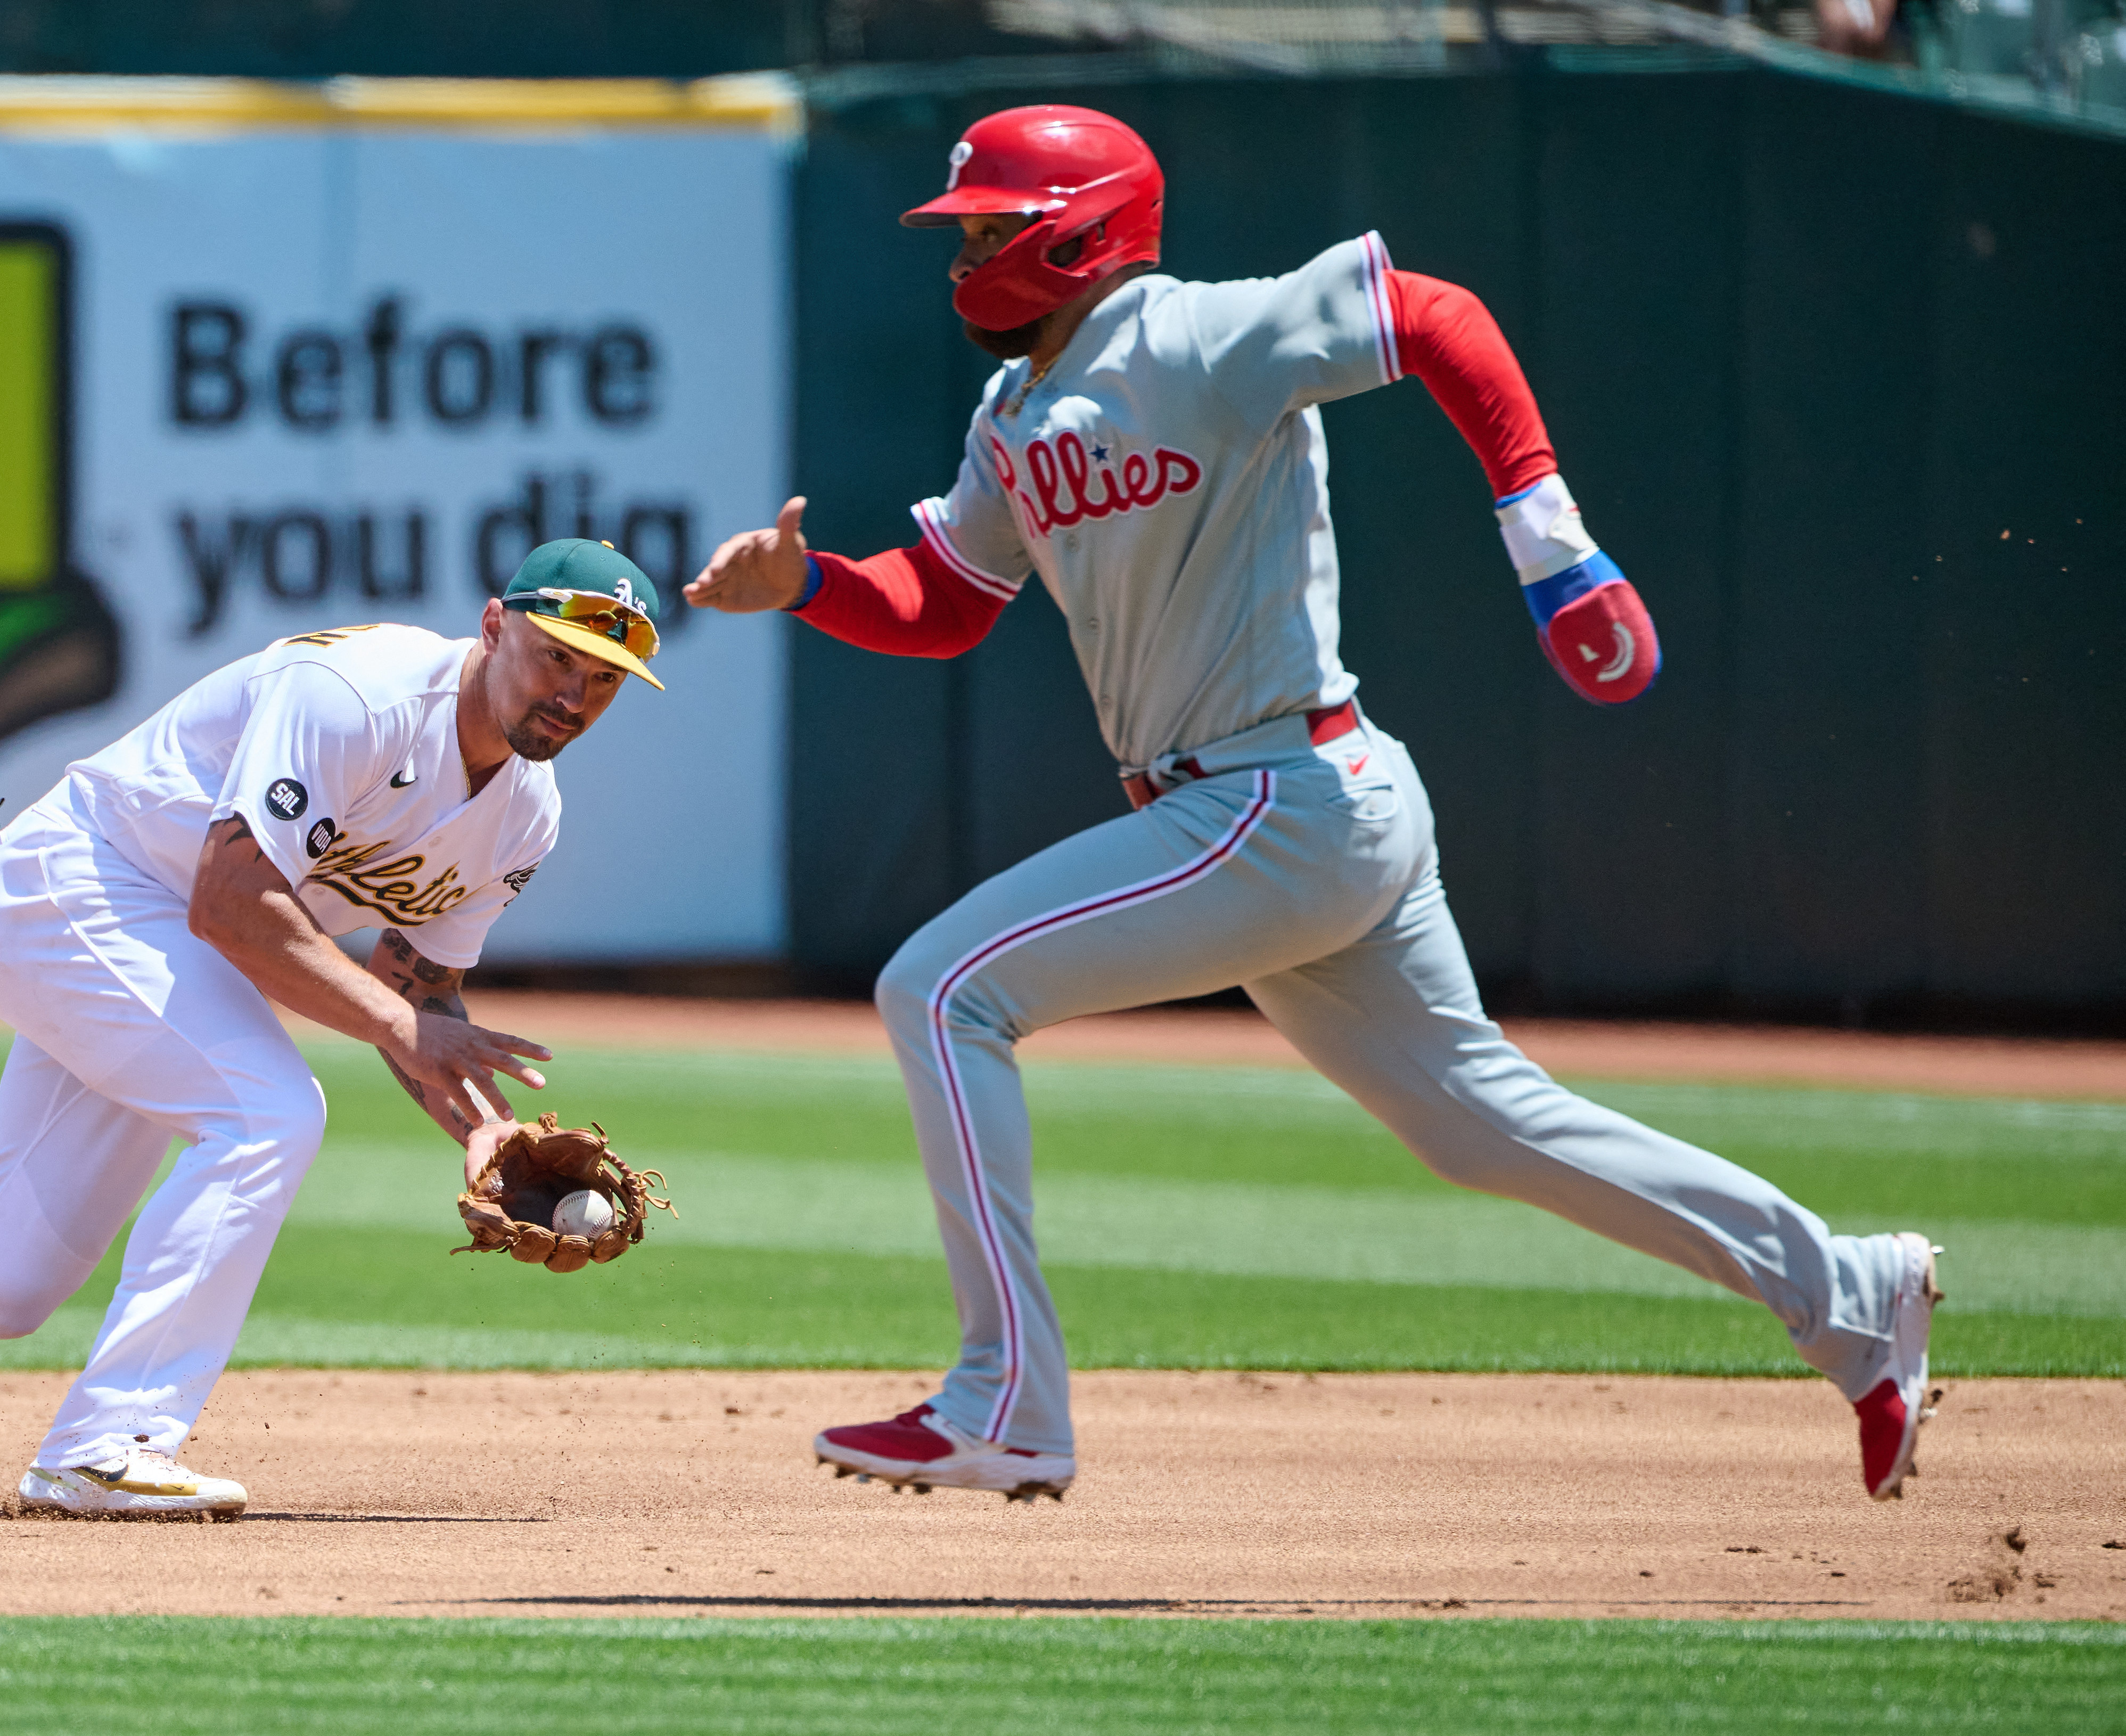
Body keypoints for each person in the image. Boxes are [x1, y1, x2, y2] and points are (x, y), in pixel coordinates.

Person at [685, 105, 1939, 1504]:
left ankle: (1003, 1398)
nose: (962, 252)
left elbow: (1438, 317)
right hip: (1294, 807)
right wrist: (807, 587)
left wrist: (1551, 543)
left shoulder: (1200, 336)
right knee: (1481, 1125)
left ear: (1078, 231)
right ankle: (1851, 1293)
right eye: (962, 229)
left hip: (1274, 795)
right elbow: (949, 603)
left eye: (988, 227)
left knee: (940, 989)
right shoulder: (1014, 411)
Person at [0, 539, 668, 1518]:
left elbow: (420, 993)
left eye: (605, 678)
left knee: (5, 1277)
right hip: (75, 883)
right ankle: (107, 1445)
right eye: (555, 655)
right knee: (270, 1109)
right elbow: (233, 903)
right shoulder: (357, 694)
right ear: (492, 626)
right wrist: (399, 1022)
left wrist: (481, 1130)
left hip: (161, 953)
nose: (574, 691)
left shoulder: (527, 814)